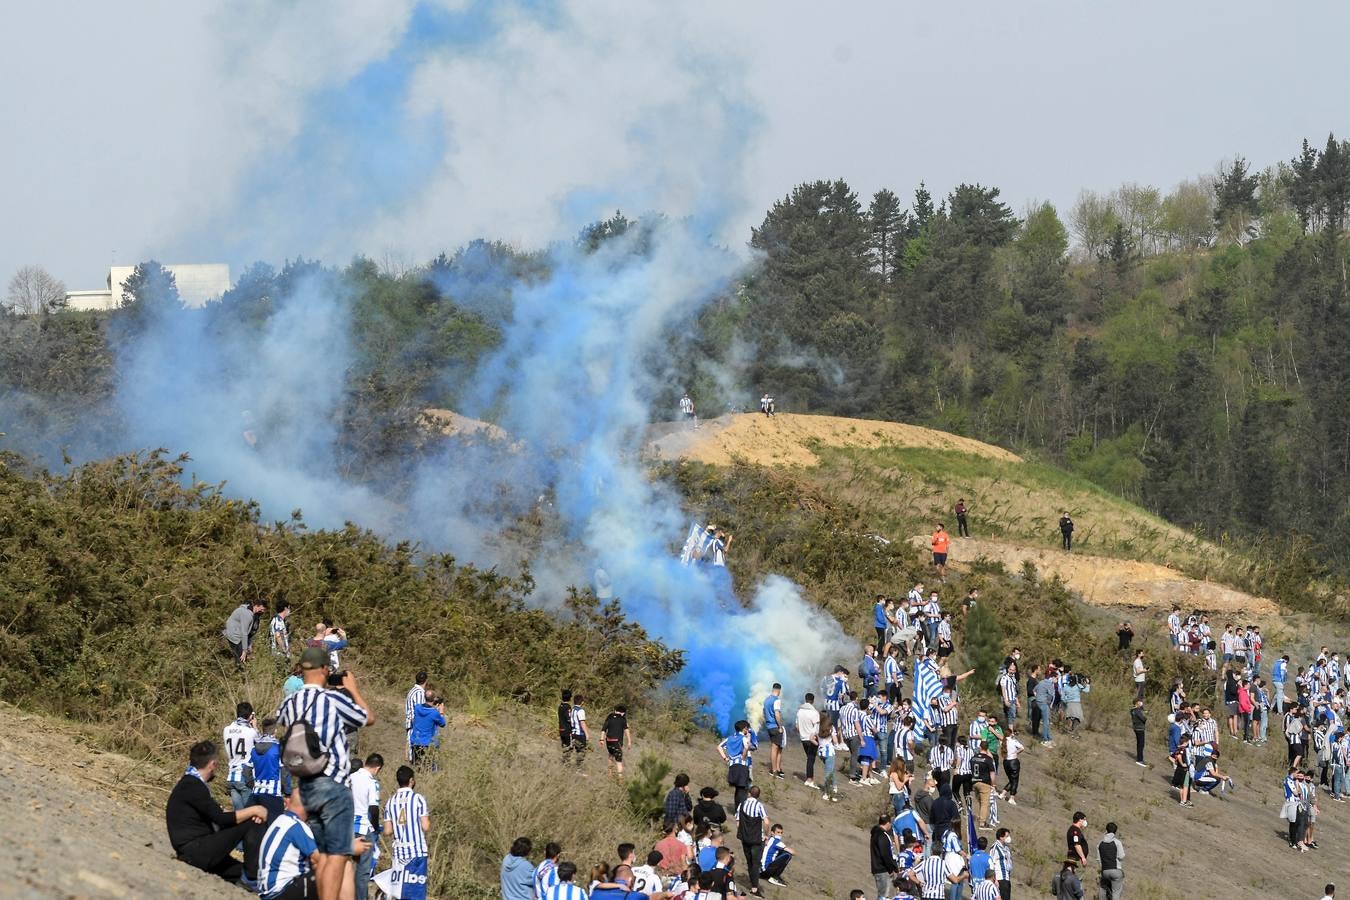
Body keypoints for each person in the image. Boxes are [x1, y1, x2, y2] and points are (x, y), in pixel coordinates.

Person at [275, 646, 374, 900]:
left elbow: (282, 720)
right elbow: (368, 718)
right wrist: (351, 689)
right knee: (337, 855)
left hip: (306, 786)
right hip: (333, 785)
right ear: (325, 670)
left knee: (321, 853)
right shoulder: (333, 700)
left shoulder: (290, 701)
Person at [165, 740, 269, 883]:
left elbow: (215, 813)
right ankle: (252, 876)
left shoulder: (190, 783)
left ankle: (252, 878)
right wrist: (254, 810)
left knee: (238, 871)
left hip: (194, 850)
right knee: (250, 821)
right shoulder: (193, 785)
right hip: (196, 850)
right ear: (212, 764)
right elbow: (220, 819)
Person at [378, 766, 430, 900]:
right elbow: (426, 826)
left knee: (399, 891)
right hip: (416, 852)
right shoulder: (418, 799)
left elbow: (388, 831)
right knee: (416, 892)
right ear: (411, 781)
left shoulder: (390, 802)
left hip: (399, 854)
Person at [256, 790, 320, 900]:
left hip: (267, 891)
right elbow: (319, 859)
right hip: (281, 891)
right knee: (332, 870)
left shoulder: (280, 820)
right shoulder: (297, 825)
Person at [348, 753, 383, 900]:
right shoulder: (371, 782)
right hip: (363, 827)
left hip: (346, 827)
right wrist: (374, 827)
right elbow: (374, 808)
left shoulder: (351, 777)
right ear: (377, 768)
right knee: (363, 871)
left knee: (346, 866)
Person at [223, 703, 259, 811]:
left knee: (239, 816)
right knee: (250, 814)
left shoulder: (226, 729)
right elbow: (261, 746)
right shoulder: (251, 732)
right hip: (244, 777)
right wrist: (255, 727)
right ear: (251, 716)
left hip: (231, 777)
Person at [736, 785, 768, 896]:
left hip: (745, 838)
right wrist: (766, 835)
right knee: (755, 863)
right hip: (756, 839)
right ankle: (754, 888)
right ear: (758, 795)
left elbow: (738, 822)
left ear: (749, 793)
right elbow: (767, 822)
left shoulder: (742, 804)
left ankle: (752, 883)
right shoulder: (759, 806)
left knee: (749, 861)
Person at [720, 719, 758, 808]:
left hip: (732, 765)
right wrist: (744, 757)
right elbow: (750, 747)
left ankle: (738, 809)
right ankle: (743, 809)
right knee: (743, 788)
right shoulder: (743, 738)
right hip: (743, 765)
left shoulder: (730, 738)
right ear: (744, 728)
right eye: (747, 729)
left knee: (738, 788)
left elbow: (719, 747)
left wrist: (725, 758)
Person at [223, 599, 266, 666]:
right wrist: (244, 651)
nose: (263, 611)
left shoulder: (252, 614)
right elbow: (244, 633)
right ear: (258, 606)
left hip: (236, 635)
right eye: (262, 609)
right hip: (235, 637)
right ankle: (239, 672)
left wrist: (249, 644)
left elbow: (250, 632)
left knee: (241, 659)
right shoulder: (247, 615)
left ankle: (239, 669)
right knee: (241, 660)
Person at [409, 691, 447, 768]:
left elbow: (426, 712)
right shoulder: (434, 713)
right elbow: (442, 724)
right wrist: (441, 712)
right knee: (428, 767)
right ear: (433, 699)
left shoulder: (417, 708)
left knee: (416, 766)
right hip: (427, 744)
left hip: (416, 742)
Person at [869, 814, 898, 900]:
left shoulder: (876, 834)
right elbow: (885, 854)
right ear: (888, 823)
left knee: (883, 895)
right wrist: (891, 868)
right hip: (883, 869)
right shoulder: (882, 835)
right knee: (884, 895)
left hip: (879, 868)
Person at [796, 692, 820, 787]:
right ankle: (810, 779)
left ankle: (810, 778)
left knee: (809, 758)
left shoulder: (799, 712)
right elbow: (817, 728)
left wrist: (802, 732)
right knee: (811, 759)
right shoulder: (814, 713)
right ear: (813, 701)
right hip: (812, 739)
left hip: (803, 738)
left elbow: (797, 726)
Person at [763, 684, 786, 779]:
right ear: (779, 690)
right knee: (776, 748)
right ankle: (774, 770)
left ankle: (776, 769)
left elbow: (764, 712)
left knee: (774, 747)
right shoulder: (776, 700)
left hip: (769, 726)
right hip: (775, 726)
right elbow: (777, 714)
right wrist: (780, 726)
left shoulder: (767, 699)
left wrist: (767, 721)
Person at [603, 704, 633, 777]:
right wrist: (629, 741)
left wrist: (601, 738)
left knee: (610, 756)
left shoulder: (610, 717)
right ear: (623, 712)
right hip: (617, 742)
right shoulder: (623, 719)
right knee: (619, 760)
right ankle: (620, 778)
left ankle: (609, 774)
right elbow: (627, 730)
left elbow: (604, 728)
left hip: (609, 741)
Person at [760, 823, 793, 888]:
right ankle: (774, 877)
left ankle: (774, 875)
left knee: (781, 851)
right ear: (772, 833)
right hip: (765, 871)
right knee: (788, 855)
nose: (780, 834)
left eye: (781, 833)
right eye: (778, 832)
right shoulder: (776, 842)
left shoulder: (769, 840)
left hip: (760, 869)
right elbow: (793, 852)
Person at [1096, 823, 1124, 900]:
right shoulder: (1117, 842)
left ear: (1106, 830)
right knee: (1116, 892)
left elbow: (1098, 859)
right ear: (1115, 831)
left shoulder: (1100, 843)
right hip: (1116, 870)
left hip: (1104, 871)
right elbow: (1121, 856)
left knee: (1103, 888)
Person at [405, 672, 428, 763]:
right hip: (415, 724)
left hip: (412, 723)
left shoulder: (413, 690)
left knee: (412, 750)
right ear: (426, 681)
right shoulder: (419, 693)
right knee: (415, 751)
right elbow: (420, 711)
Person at [565, 693, 589, 768]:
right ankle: (578, 768)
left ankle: (567, 765)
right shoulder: (581, 711)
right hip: (580, 734)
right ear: (582, 702)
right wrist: (587, 734)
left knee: (571, 751)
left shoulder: (572, 710)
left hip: (573, 733)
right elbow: (582, 723)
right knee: (581, 752)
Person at [990, 828, 1013, 900]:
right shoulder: (995, 847)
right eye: (1006, 836)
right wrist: (994, 879)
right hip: (1000, 877)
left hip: (1006, 878)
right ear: (1001, 837)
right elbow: (991, 864)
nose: (1008, 838)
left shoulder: (1006, 848)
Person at [1130, 699, 1147, 766]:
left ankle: (1139, 758)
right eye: (1140, 702)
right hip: (1140, 728)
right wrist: (1145, 714)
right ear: (1137, 703)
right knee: (1141, 744)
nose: (1141, 703)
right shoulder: (1137, 711)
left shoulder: (1132, 710)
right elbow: (1144, 719)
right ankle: (1140, 759)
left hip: (1136, 728)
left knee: (1139, 744)